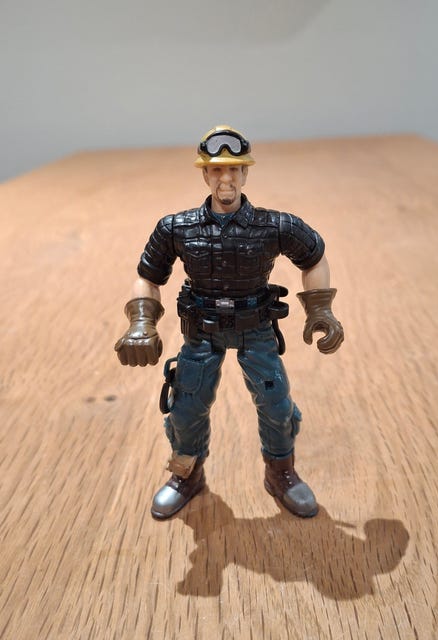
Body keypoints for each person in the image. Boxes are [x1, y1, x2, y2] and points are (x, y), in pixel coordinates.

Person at [115, 125, 344, 520]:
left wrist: (320, 310)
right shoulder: (177, 228)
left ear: (245, 173)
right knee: (186, 407)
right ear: (205, 174)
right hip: (202, 331)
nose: (226, 179)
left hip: (256, 328)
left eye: (234, 169)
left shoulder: (275, 226)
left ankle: (281, 474)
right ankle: (186, 474)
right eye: (217, 170)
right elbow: (148, 277)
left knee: (276, 404)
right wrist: (140, 322)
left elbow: (314, 257)